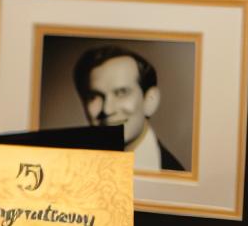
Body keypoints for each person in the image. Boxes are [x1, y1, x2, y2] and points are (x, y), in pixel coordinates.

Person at [72, 44, 185, 172]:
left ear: (149, 101)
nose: (107, 110)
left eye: (122, 92)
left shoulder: (176, 178)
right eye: (94, 96)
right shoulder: (71, 167)